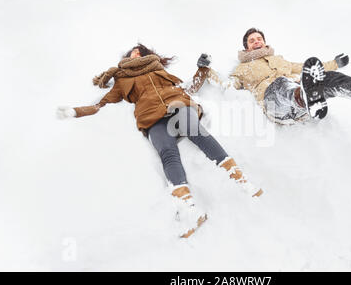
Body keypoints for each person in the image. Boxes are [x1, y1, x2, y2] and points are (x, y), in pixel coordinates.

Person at [57, 44, 263, 238]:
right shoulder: (122, 79)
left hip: (178, 104)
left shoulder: (159, 70)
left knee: (196, 131)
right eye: (133, 52)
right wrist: (76, 112)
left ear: (146, 53)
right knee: (167, 153)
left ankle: (241, 180)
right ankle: (189, 208)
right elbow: (101, 103)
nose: (135, 54)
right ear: (127, 57)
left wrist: (201, 70)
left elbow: (188, 87)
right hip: (150, 117)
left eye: (139, 51)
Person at [188, 28, 351, 124]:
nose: (257, 41)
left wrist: (334, 64)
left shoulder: (279, 59)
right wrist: (206, 70)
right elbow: (227, 86)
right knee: (283, 85)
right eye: (252, 40)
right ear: (245, 47)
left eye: (259, 38)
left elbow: (306, 66)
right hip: (276, 106)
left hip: (302, 103)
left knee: (331, 81)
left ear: (265, 41)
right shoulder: (241, 70)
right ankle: (306, 95)